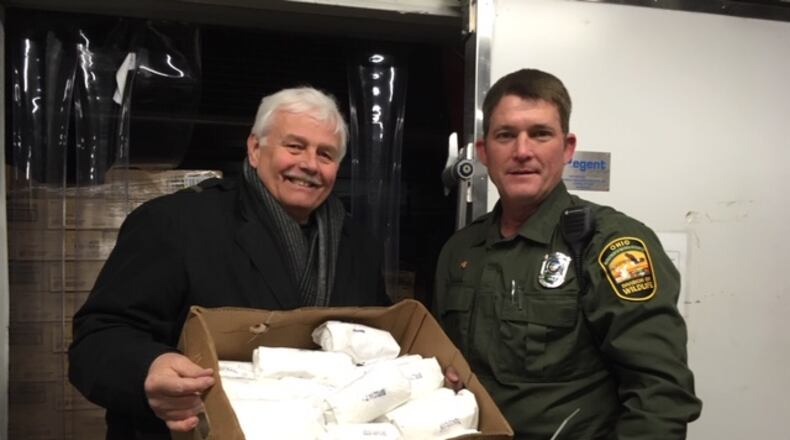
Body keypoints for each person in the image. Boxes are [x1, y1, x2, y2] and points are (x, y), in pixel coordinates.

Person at [68, 86, 389, 439]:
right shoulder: (174, 222)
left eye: (325, 154)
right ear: (255, 149)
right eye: (294, 146)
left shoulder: (356, 244)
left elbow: (376, 340)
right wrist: (147, 367)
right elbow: (97, 338)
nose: (310, 164)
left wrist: (427, 374)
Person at [434, 69, 702, 438]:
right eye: (505, 135)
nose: (522, 151)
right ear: (483, 151)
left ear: (568, 147)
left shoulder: (608, 244)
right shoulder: (460, 250)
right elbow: (444, 363)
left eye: (540, 134)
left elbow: (661, 396)